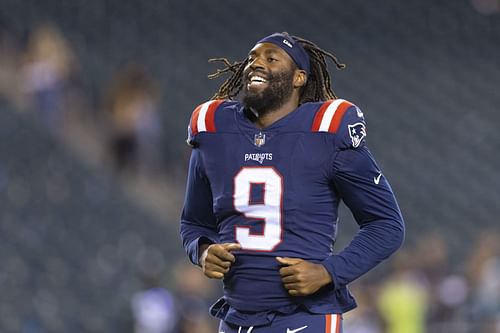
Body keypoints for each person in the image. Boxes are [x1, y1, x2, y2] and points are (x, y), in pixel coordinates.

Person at [180, 32, 405, 333]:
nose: (256, 64)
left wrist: (329, 271)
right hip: (236, 318)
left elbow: (387, 225)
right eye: (252, 58)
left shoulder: (326, 132)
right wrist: (203, 249)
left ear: (299, 77)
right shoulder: (214, 130)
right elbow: (194, 222)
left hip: (303, 316)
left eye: (270, 58)